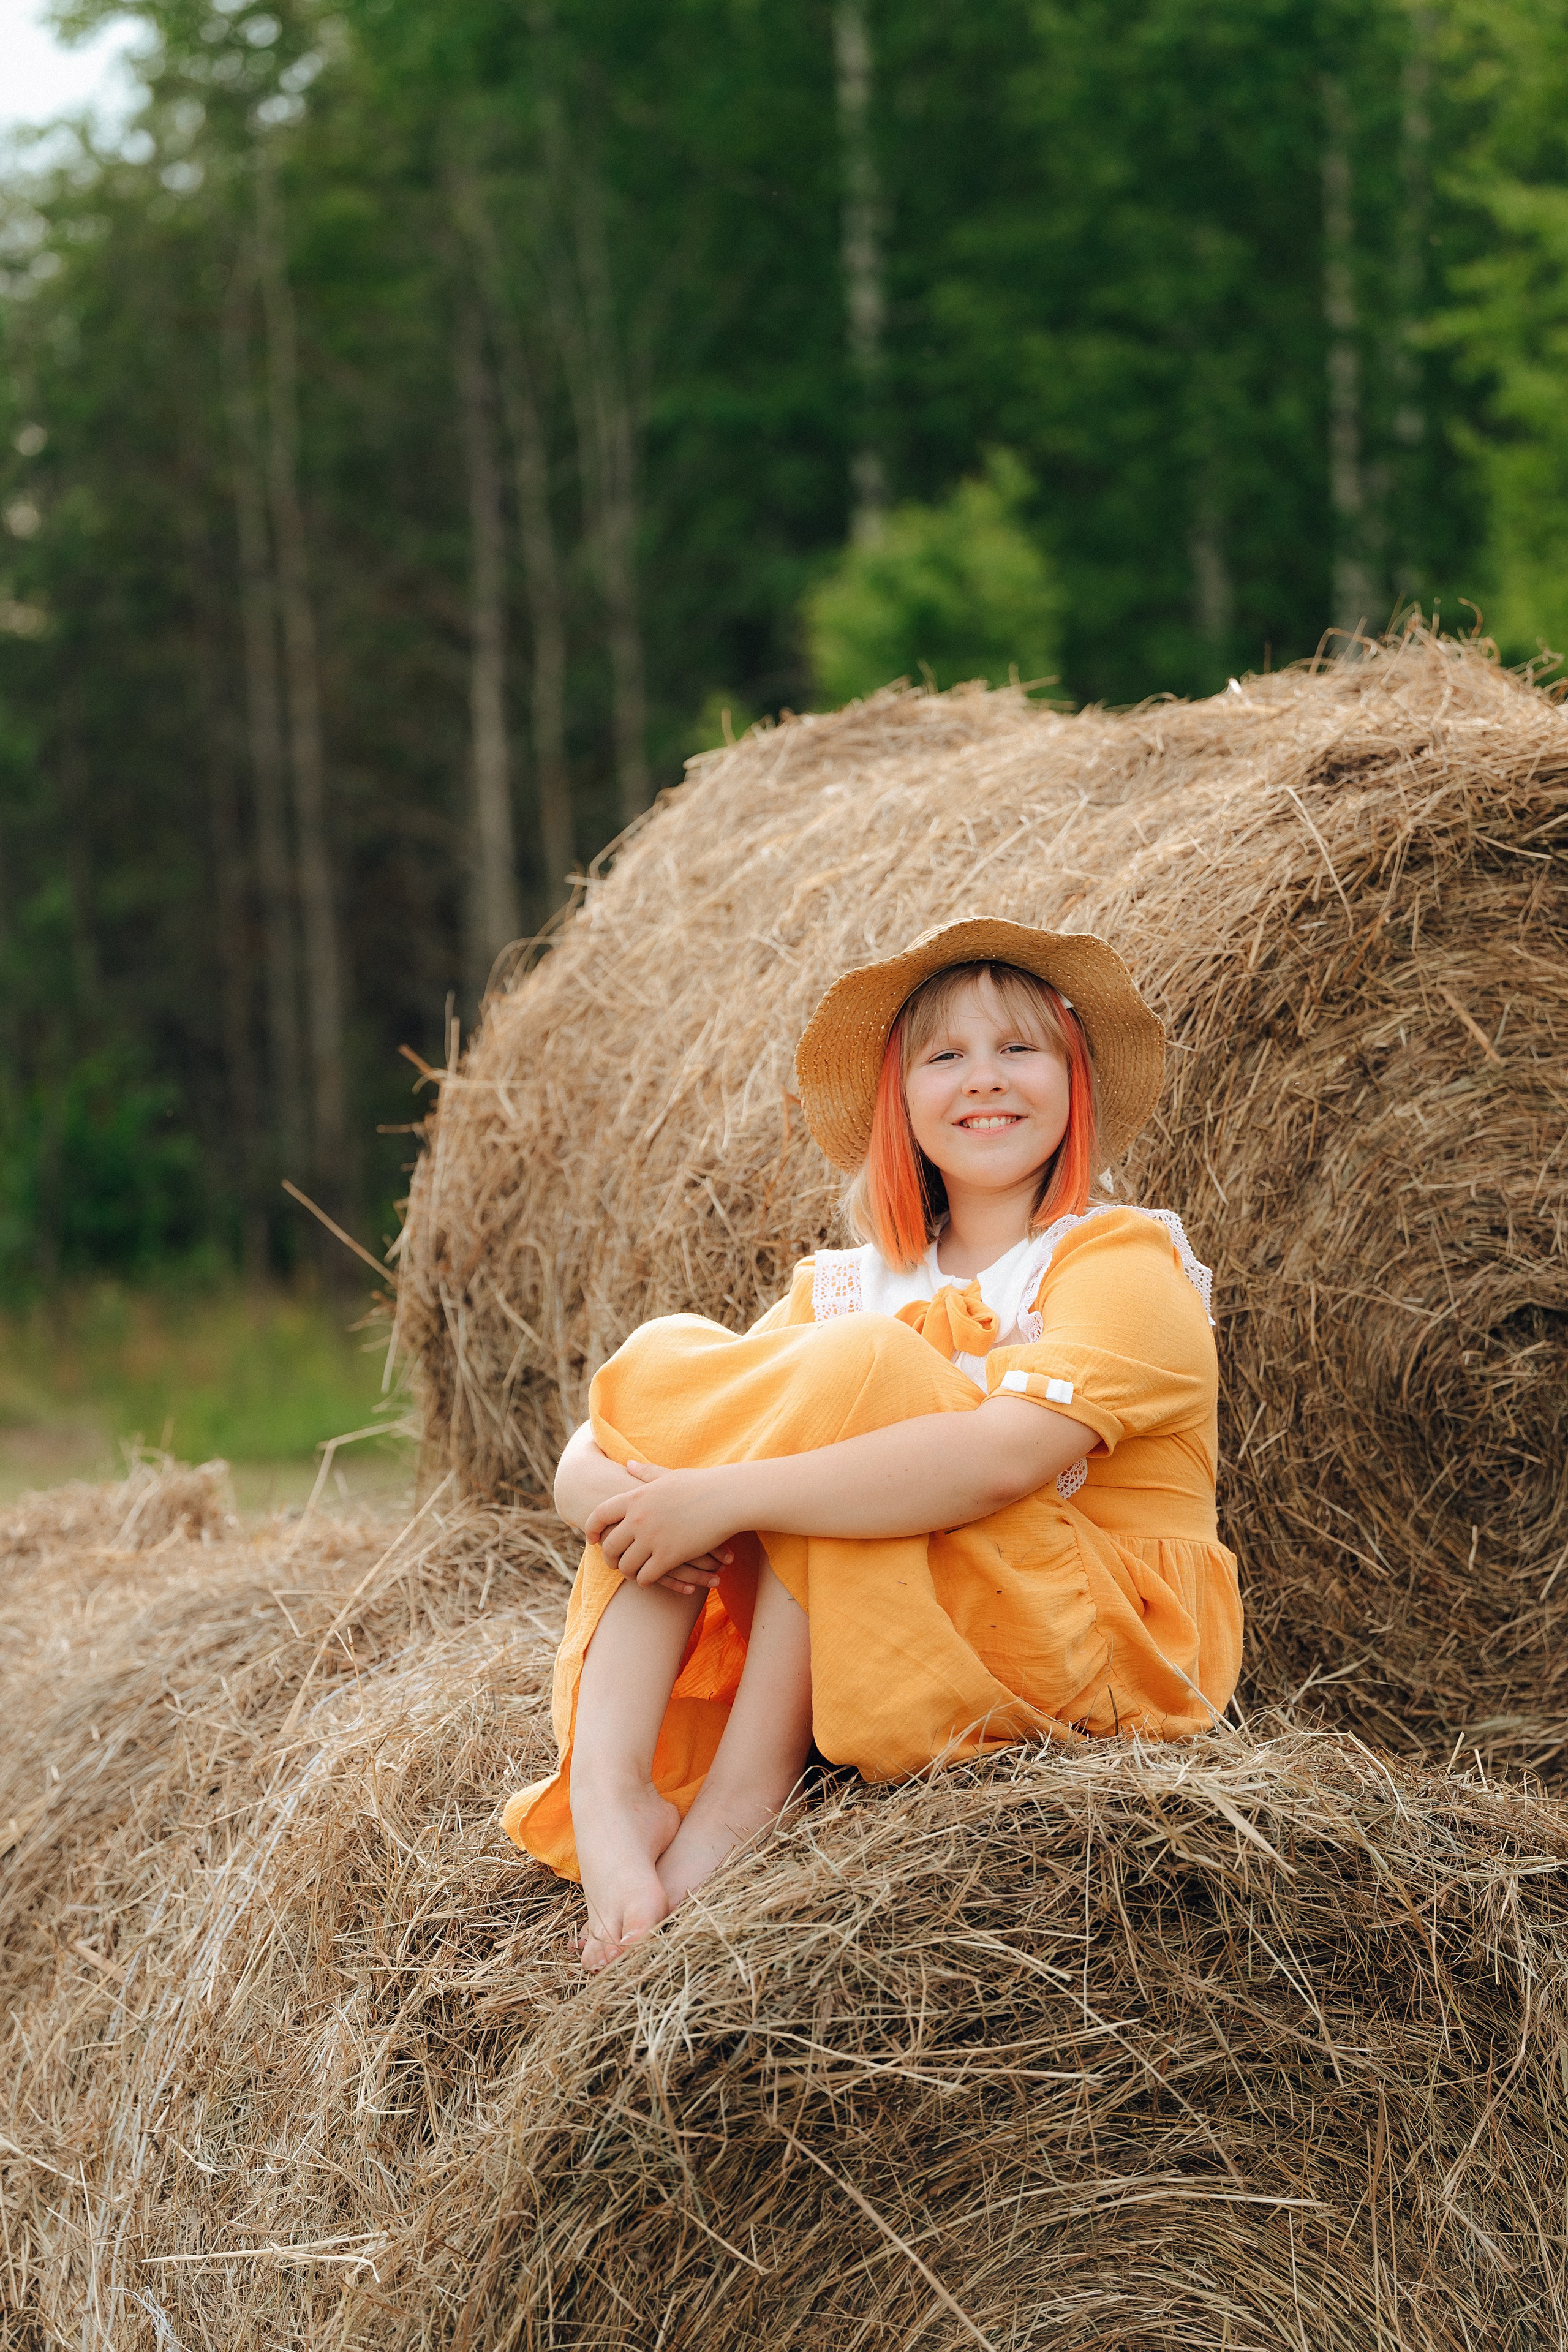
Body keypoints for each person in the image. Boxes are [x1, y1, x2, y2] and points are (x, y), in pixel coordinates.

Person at [502, 918, 1242, 1969]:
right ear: (901, 1097)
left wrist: (724, 1501)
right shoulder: (847, 1288)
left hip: (1092, 1636)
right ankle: (609, 1783)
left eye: (1019, 1049)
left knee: (863, 1381)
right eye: (946, 1057)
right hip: (915, 1610)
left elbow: (996, 1461)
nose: (984, 1080)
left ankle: (741, 1802)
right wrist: (625, 1499)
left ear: (1075, 1082)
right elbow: (627, 1427)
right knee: (682, 1348)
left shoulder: (1122, 1264)